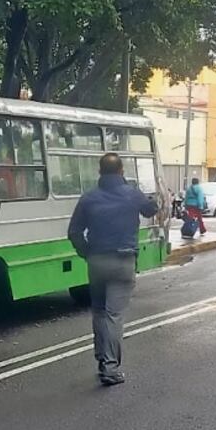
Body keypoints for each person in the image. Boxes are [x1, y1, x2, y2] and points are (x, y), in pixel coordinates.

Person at [67, 153, 159, 387]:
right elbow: (151, 210)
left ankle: (101, 358)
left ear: (100, 172)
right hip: (123, 261)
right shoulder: (131, 194)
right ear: (121, 171)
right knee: (114, 315)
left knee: (98, 312)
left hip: (96, 261)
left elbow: (74, 232)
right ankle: (110, 368)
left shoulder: (88, 198)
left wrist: (86, 252)